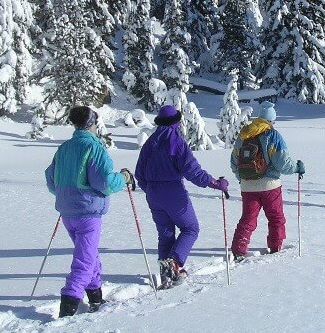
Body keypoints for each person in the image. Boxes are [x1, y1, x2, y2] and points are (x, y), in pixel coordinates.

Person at [45, 106, 134, 318]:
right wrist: (123, 177)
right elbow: (104, 183)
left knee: (89, 254)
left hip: (68, 211)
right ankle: (68, 305)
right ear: (92, 124)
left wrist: (66, 193)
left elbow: (51, 179)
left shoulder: (64, 148)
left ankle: (95, 297)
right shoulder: (93, 147)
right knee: (84, 261)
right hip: (88, 212)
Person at [135, 104, 229, 288]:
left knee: (165, 234)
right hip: (173, 192)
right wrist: (215, 183)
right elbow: (192, 171)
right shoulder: (176, 142)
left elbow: (139, 173)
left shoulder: (150, 143)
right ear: (176, 122)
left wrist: (151, 189)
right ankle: (175, 263)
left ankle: (167, 275)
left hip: (153, 193)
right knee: (191, 228)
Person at [230, 100, 305, 261]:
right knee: (275, 217)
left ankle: (238, 249)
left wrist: (243, 178)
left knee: (248, 218)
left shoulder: (244, 134)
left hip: (247, 186)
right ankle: (275, 247)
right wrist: (297, 167)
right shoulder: (273, 135)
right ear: (271, 120)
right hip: (270, 185)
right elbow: (283, 164)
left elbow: (234, 161)